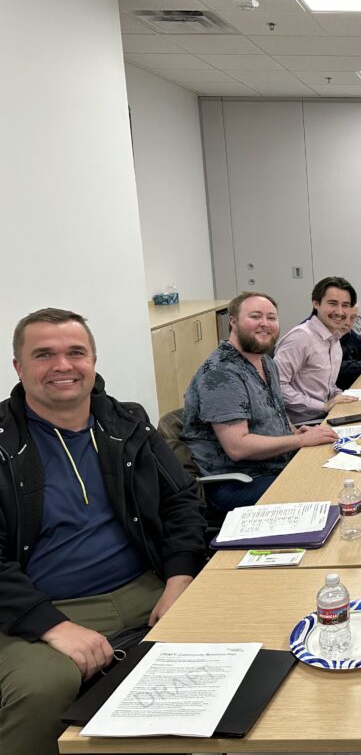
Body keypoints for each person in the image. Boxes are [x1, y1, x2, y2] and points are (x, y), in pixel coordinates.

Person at [0, 308, 206, 755]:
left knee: (243, 632)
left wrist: (179, 578)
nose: (63, 366)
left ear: (93, 359)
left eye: (76, 352)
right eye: (43, 355)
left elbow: (182, 501)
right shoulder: (4, 444)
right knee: (42, 688)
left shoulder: (126, 423)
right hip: (42, 607)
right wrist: (52, 625)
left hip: (147, 586)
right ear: (18, 367)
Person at [181, 292, 336, 512]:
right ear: (233, 322)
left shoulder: (265, 362)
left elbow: (273, 415)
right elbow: (238, 447)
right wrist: (300, 442)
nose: (265, 324)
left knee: (339, 475)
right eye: (255, 316)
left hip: (274, 466)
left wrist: (294, 433)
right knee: (320, 495)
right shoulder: (221, 373)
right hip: (239, 482)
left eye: (271, 318)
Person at [275, 276, 359, 424]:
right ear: (316, 303)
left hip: (325, 416)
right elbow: (276, 386)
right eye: (333, 303)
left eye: (345, 305)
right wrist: (324, 406)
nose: (340, 311)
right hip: (302, 425)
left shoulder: (334, 338)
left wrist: (343, 397)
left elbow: (327, 386)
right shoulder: (301, 338)